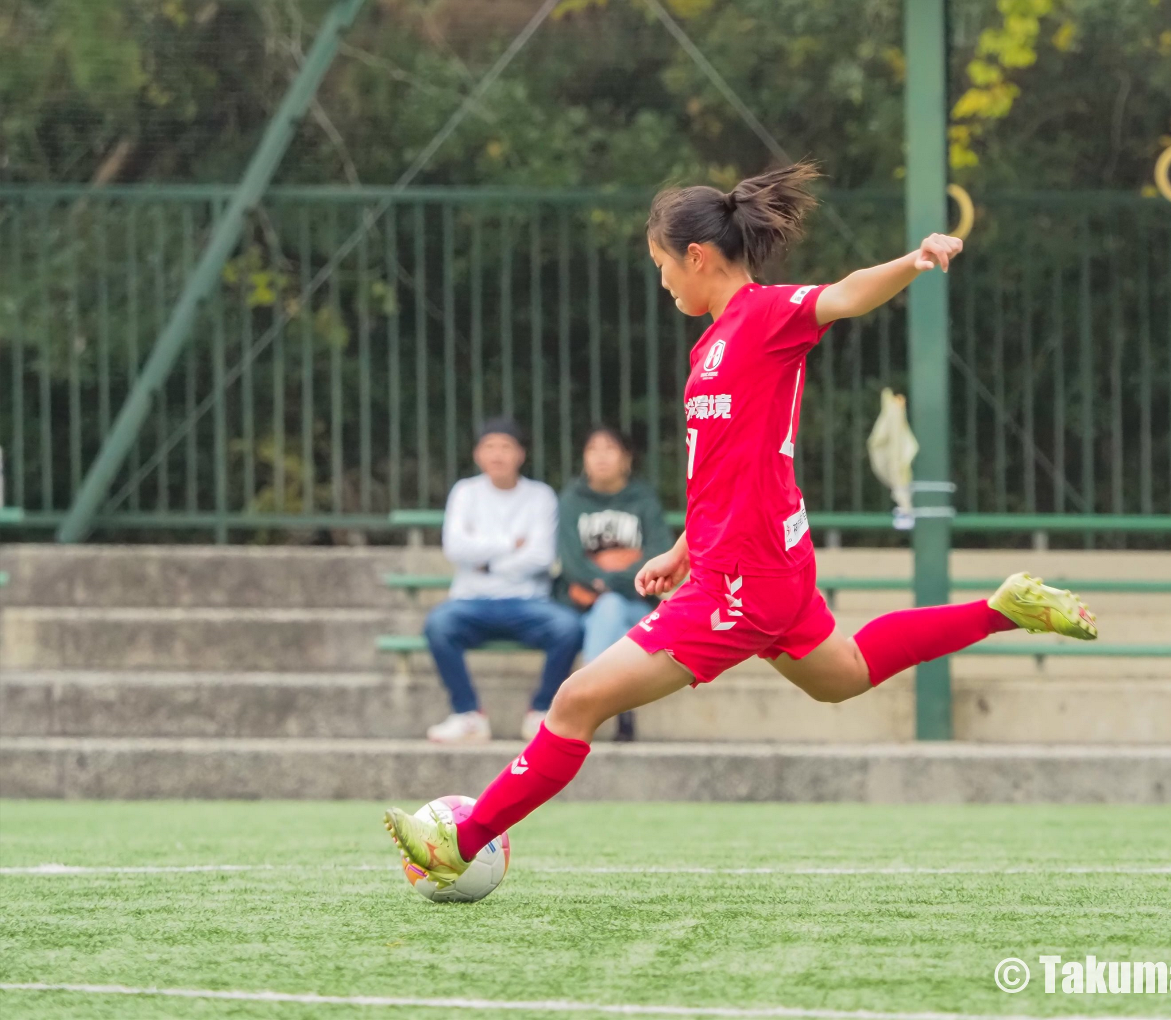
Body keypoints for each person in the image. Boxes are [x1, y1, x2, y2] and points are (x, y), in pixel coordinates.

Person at [387, 163, 1097, 878]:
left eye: (663, 266)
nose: (663, 282)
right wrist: (685, 547)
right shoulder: (710, 345)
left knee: (573, 703)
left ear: (696, 257)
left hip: (743, 580)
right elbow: (724, 469)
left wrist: (914, 260)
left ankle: (465, 839)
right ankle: (1002, 609)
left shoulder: (764, 316)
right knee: (842, 675)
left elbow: (844, 295)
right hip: (754, 563)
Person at [423, 417, 584, 744]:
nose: (497, 455)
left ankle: (542, 712)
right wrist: (512, 545)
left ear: (520, 454)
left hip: (529, 603)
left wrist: (485, 561)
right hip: (470, 601)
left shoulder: (540, 496)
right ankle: (467, 715)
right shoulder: (465, 492)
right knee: (438, 624)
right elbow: (455, 547)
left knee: (568, 628)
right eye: (490, 447)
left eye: (506, 447)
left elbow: (541, 555)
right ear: (478, 454)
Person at [556, 426, 673, 741]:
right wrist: (619, 574)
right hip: (586, 606)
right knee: (612, 618)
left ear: (627, 459)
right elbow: (570, 561)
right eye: (593, 449)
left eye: (610, 449)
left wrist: (609, 579)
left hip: (636, 604)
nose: (601, 457)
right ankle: (621, 711)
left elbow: (659, 554)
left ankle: (589, 702)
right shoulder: (572, 501)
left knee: (613, 611)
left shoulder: (643, 499)